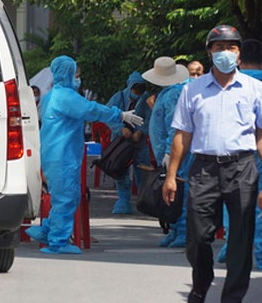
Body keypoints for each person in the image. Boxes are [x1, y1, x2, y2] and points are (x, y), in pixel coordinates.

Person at [162, 25, 262, 303]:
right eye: (219, 47)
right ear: (210, 53)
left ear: (239, 54)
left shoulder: (255, 89)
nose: (225, 52)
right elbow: (182, 135)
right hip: (203, 169)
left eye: (231, 47)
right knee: (197, 236)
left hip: (242, 168)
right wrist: (171, 175)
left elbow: (261, 137)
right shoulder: (192, 90)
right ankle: (201, 283)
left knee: (241, 238)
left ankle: (232, 297)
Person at [25, 55, 143, 254]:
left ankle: (48, 230)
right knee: (67, 197)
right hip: (64, 155)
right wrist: (120, 115)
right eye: (76, 75)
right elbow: (91, 110)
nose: (77, 79)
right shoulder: (67, 97)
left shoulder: (49, 96)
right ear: (68, 74)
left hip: (52, 154)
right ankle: (58, 242)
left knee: (62, 196)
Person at [217, 38, 262, 268]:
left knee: (233, 201)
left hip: (235, 154)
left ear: (239, 60)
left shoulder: (227, 86)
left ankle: (231, 246)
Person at [142, 56, 190, 248]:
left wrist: (170, 153)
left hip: (175, 153)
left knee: (178, 190)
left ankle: (183, 231)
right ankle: (176, 229)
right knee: (172, 191)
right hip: (167, 152)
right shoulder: (168, 93)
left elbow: (174, 127)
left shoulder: (173, 95)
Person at [106, 71, 151, 214]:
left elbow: (150, 118)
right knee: (120, 170)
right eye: (135, 88)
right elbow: (107, 114)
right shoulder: (118, 97)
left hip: (139, 142)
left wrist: (141, 131)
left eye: (140, 89)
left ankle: (145, 201)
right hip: (120, 142)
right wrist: (120, 129)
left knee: (143, 171)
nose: (137, 92)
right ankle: (123, 201)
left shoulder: (146, 98)